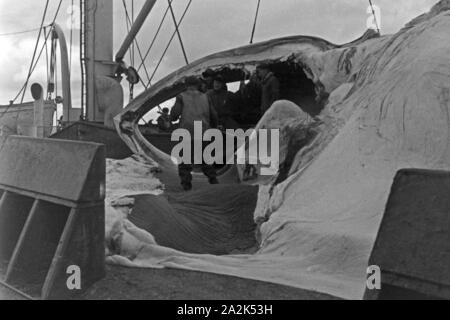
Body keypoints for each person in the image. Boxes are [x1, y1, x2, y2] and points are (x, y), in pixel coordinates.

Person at [170, 76, 220, 191]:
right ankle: (214, 181)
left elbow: (174, 115)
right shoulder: (206, 97)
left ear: (186, 85)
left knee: (185, 160)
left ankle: (187, 186)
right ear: (198, 85)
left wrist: (172, 117)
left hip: (186, 131)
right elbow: (214, 115)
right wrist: (214, 127)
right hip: (202, 130)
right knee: (205, 159)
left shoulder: (181, 96)